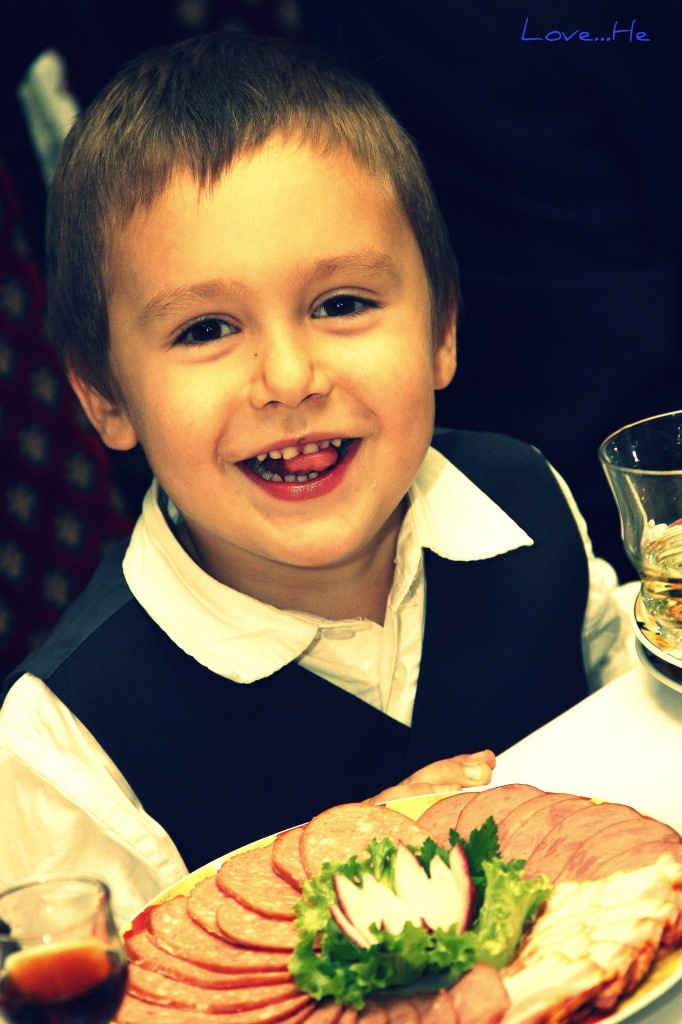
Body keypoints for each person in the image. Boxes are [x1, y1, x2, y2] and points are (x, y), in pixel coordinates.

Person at [0, 31, 631, 927]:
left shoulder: (525, 498)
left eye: (341, 304)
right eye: (206, 329)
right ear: (105, 395)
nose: (290, 377)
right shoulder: (66, 747)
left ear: (441, 330)